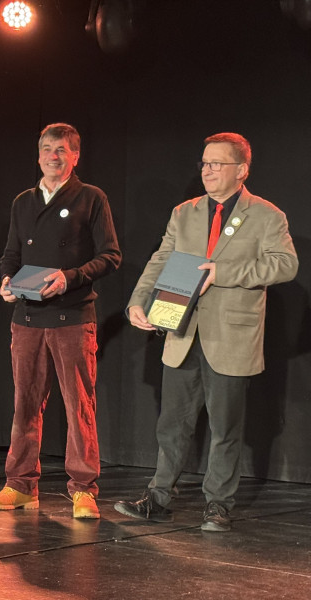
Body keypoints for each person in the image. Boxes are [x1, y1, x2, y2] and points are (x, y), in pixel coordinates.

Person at [114, 133, 298, 532]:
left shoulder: (266, 214)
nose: (208, 170)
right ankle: (158, 498)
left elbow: (285, 264)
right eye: (204, 163)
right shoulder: (185, 212)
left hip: (231, 338)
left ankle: (218, 505)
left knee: (224, 429)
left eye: (217, 163)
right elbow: (161, 258)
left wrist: (223, 273)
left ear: (242, 170)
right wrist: (138, 301)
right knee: (171, 425)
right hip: (181, 332)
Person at [0, 123, 121, 518]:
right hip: (27, 317)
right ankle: (20, 485)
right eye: (46, 149)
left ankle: (84, 489)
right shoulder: (23, 201)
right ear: (38, 154)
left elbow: (110, 256)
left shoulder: (91, 197)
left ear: (75, 156)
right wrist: (6, 280)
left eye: (61, 150)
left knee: (79, 406)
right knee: (24, 404)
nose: (52, 156)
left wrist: (69, 278)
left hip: (72, 316)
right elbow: (11, 254)